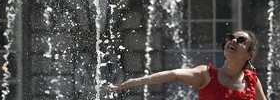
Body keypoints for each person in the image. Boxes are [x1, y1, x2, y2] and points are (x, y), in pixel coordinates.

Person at [108, 30, 267, 100]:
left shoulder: (252, 81)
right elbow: (174, 74)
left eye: (240, 40)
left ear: (249, 54)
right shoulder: (206, 74)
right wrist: (135, 82)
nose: (233, 40)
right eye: (231, 37)